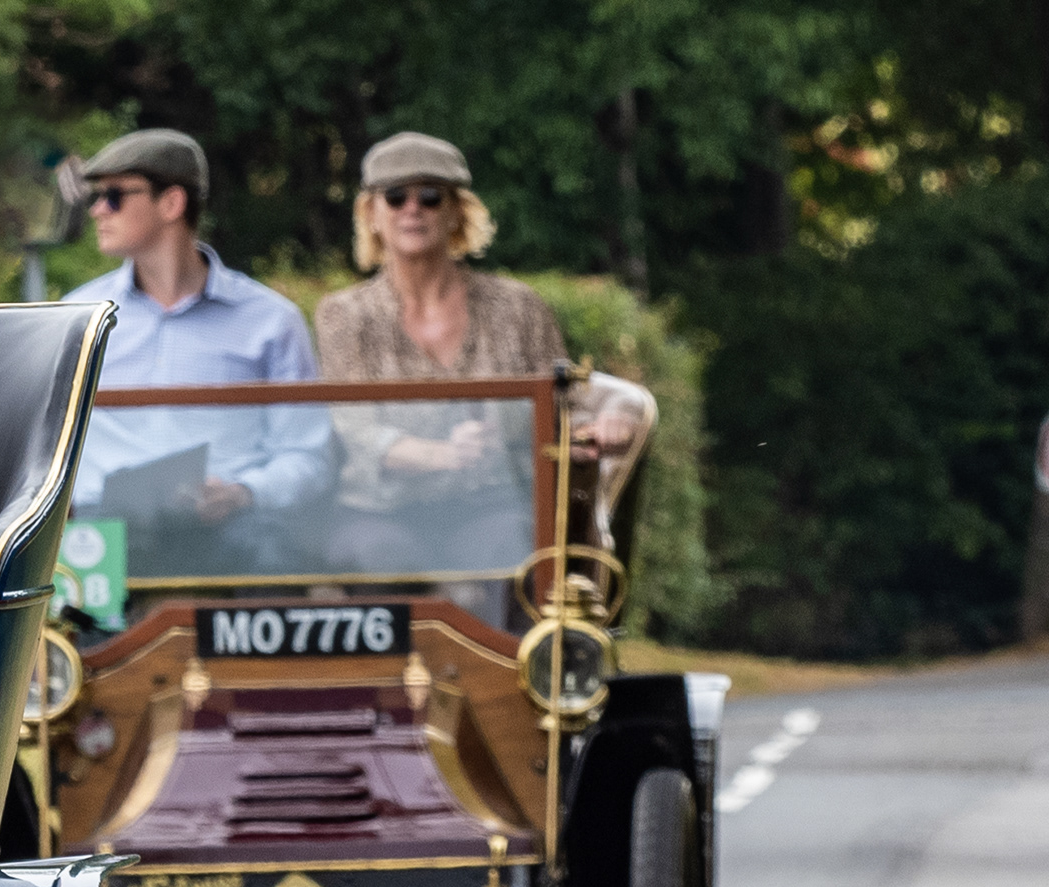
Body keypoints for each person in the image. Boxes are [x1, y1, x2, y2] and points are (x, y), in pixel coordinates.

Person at [312, 128, 646, 577]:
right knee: (376, 557)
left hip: (492, 505)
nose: (413, 209)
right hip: (381, 510)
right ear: (371, 213)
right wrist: (438, 455)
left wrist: (604, 430)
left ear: (456, 214)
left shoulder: (518, 308)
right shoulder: (343, 316)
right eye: (395, 196)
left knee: (512, 548)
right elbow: (351, 429)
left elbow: (562, 412)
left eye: (431, 196)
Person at [59, 127, 331, 575]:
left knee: (272, 554)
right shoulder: (79, 318)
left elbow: (308, 454)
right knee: (72, 599)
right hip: (104, 534)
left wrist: (243, 491)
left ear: (171, 203)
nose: (96, 211)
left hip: (232, 529)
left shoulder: (271, 320)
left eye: (113, 196)